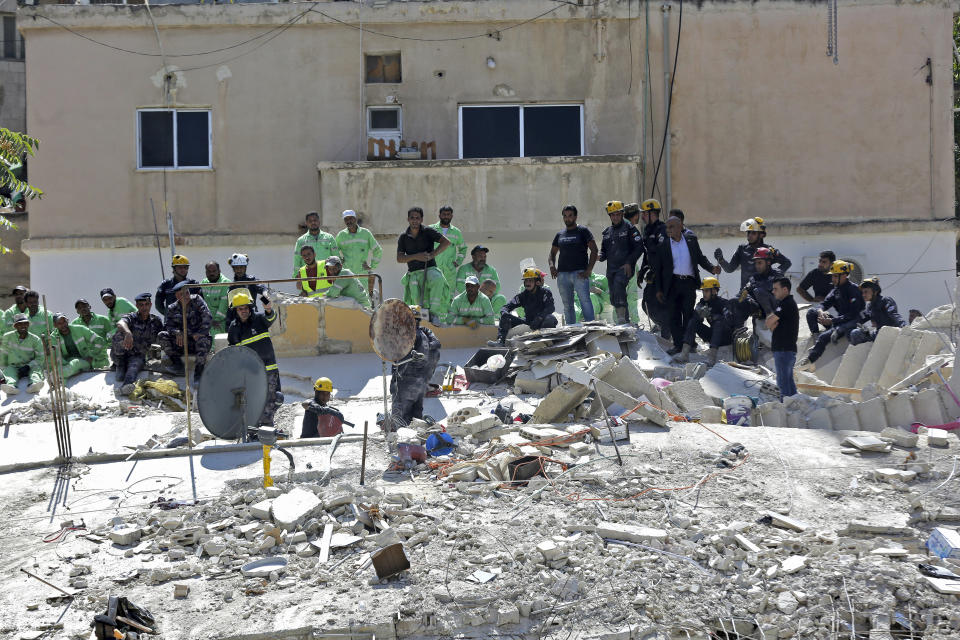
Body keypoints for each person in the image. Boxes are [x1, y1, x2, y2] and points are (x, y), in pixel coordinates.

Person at [653, 216, 719, 355]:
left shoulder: (691, 240)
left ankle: (690, 344)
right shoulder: (664, 245)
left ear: (680, 227)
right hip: (672, 284)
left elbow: (700, 258)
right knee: (674, 316)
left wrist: (712, 268)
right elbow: (658, 269)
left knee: (689, 314)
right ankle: (678, 345)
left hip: (688, 283)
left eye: (671, 227)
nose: (668, 230)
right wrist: (658, 289)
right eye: (667, 227)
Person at [227, 290, 282, 428]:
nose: (244, 311)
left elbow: (271, 317)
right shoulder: (234, 328)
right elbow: (235, 354)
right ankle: (257, 430)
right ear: (236, 310)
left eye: (246, 308)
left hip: (269, 369)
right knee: (255, 401)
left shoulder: (259, 319)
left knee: (274, 399)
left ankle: (266, 429)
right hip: (250, 374)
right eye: (240, 308)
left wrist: (268, 308)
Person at [798, 260, 864, 369]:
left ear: (844, 276)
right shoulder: (836, 290)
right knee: (812, 312)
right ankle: (816, 339)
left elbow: (853, 315)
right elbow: (824, 304)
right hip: (838, 322)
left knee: (824, 337)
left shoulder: (854, 290)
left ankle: (811, 359)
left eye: (834, 276)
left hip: (849, 325)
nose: (832, 279)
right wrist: (821, 311)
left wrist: (832, 321)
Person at [389, 305, 441, 428]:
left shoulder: (408, 336)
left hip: (406, 381)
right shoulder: (424, 334)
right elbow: (435, 347)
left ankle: (402, 437)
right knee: (416, 417)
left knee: (400, 418)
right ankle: (415, 436)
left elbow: (400, 361)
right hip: (420, 382)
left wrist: (394, 382)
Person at [397, 206, 451, 322]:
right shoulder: (403, 237)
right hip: (413, 273)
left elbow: (446, 242)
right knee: (416, 300)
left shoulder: (428, 231)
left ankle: (434, 315)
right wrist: (416, 256)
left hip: (430, 268)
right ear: (408, 219)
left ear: (421, 219)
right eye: (412, 218)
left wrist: (432, 255)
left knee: (438, 279)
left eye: (417, 218)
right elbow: (399, 258)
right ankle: (419, 321)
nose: (414, 220)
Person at [549, 204, 599, 324]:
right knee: (567, 305)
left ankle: (591, 329)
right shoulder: (559, 234)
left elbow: (594, 250)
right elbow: (552, 253)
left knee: (585, 301)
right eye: (565, 216)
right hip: (562, 275)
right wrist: (552, 266)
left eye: (570, 216)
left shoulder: (583, 231)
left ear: (575, 217)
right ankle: (571, 330)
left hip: (579, 273)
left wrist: (589, 270)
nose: (567, 218)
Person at [598, 200, 645, 323]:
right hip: (611, 270)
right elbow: (603, 253)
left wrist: (629, 262)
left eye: (618, 214)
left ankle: (621, 319)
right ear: (610, 216)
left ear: (622, 214)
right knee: (614, 296)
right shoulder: (607, 232)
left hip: (625, 268)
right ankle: (624, 320)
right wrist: (598, 256)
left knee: (619, 286)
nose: (615, 217)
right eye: (612, 215)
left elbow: (639, 247)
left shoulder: (629, 228)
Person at [715, 218, 792, 289]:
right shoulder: (742, 249)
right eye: (748, 232)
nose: (750, 235)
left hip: (764, 294)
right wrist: (721, 259)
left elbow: (787, 263)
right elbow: (729, 269)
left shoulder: (769, 250)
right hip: (745, 294)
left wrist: (774, 274)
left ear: (761, 235)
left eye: (753, 233)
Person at [158, 281, 212, 380]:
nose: (186, 296)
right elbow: (168, 326)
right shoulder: (172, 308)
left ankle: (199, 373)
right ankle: (177, 364)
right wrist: (177, 332)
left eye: (187, 293)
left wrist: (200, 333)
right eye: (182, 294)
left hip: (198, 339)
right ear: (176, 296)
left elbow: (207, 317)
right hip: (182, 342)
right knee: (162, 335)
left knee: (203, 340)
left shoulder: (197, 300)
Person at [489, 268, 558, 346]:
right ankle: (501, 342)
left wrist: (539, 318)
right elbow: (507, 306)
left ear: (537, 282)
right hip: (529, 322)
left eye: (530, 281)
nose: (527, 283)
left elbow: (550, 308)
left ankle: (550, 342)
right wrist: (504, 311)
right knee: (505, 316)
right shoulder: (523, 296)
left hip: (542, 321)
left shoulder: (545, 292)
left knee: (550, 318)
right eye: (526, 281)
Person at [112, 293, 164, 395]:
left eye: (146, 304)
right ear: (137, 306)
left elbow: (160, 338)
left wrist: (156, 359)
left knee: (134, 367)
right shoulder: (132, 317)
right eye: (141, 305)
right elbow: (121, 323)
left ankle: (125, 387)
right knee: (119, 334)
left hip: (137, 355)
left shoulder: (156, 321)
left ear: (150, 305)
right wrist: (128, 333)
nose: (144, 307)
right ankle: (120, 364)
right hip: (122, 354)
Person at [676, 277, 733, 365]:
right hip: (714, 337)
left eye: (706, 291)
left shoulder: (723, 303)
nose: (704, 294)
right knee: (693, 322)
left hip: (726, 338)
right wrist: (699, 314)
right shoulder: (703, 303)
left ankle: (711, 358)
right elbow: (695, 319)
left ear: (714, 291)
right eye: (703, 291)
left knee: (718, 323)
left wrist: (712, 316)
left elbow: (730, 320)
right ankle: (684, 354)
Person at [765, 277, 799, 398]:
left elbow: (769, 323)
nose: (773, 292)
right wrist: (771, 322)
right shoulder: (784, 304)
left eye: (776, 289)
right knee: (789, 385)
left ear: (785, 289)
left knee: (783, 386)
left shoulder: (786, 304)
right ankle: (794, 410)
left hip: (784, 350)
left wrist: (771, 321)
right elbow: (771, 324)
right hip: (785, 350)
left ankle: (786, 411)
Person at [638, 199, 668, 333]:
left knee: (660, 303)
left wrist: (655, 271)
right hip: (652, 274)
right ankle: (662, 325)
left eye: (644, 213)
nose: (642, 216)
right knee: (646, 304)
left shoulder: (662, 229)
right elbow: (647, 253)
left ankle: (668, 331)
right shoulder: (647, 229)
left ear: (652, 213)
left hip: (662, 275)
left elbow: (661, 253)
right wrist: (642, 271)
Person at [50, 313, 110, 379]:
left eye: (64, 321)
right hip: (68, 362)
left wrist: (92, 355)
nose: (63, 325)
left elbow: (99, 340)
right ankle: (60, 377)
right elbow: (56, 355)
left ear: (67, 320)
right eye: (59, 323)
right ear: (55, 325)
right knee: (67, 367)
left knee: (75, 363)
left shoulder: (80, 329)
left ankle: (56, 376)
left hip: (86, 360)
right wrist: (64, 364)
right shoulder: (53, 337)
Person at [848, 277, 906, 345]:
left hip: (890, 333)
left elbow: (894, 315)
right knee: (855, 333)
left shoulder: (885, 300)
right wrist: (842, 326)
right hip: (878, 333)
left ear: (875, 291)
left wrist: (904, 327)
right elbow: (859, 319)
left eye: (866, 292)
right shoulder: (870, 306)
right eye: (862, 292)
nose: (863, 295)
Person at [0, 313, 45, 394]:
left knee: (36, 370)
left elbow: (40, 358)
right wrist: (3, 370)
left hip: (29, 366)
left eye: (25, 323)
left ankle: (34, 384)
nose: (23, 326)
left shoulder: (36, 339)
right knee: (9, 372)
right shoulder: (7, 336)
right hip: (14, 366)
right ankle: (11, 387)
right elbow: (3, 355)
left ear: (28, 325)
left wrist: (28, 366)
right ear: (15, 326)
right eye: (20, 324)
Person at [428, 205, 467, 295]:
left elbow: (463, 248)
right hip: (433, 267)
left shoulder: (456, 232)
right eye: (444, 214)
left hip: (449, 270)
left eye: (448, 214)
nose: (446, 216)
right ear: (439, 215)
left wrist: (458, 262)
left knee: (448, 294)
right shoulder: (431, 229)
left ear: (451, 216)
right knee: (432, 293)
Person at [293, 211, 339, 277]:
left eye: (315, 220)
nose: (313, 222)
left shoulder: (329, 238)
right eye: (310, 221)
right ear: (306, 223)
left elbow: (336, 258)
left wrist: (337, 274)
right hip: (308, 278)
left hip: (327, 277)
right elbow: (297, 260)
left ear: (319, 221)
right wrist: (297, 276)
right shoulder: (301, 241)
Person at [336, 209, 382, 275]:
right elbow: (333, 251)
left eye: (351, 218)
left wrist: (372, 266)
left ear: (355, 219)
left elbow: (378, 250)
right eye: (346, 219)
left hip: (362, 275)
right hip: (346, 275)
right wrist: (339, 261)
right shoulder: (341, 235)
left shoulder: (366, 233)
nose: (348, 221)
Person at [226, 253, 264, 325]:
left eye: (241, 267)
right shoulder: (232, 286)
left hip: (251, 316)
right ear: (233, 269)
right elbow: (230, 308)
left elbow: (261, 288)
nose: (239, 270)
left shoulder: (251, 281)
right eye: (236, 268)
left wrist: (265, 293)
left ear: (245, 268)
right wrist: (228, 323)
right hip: (237, 319)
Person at [201, 261, 231, 335]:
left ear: (219, 271)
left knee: (220, 344)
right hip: (208, 322)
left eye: (214, 271)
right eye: (209, 271)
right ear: (205, 272)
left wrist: (217, 320)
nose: (212, 273)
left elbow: (223, 305)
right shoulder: (203, 283)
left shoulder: (225, 283)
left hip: (220, 322)